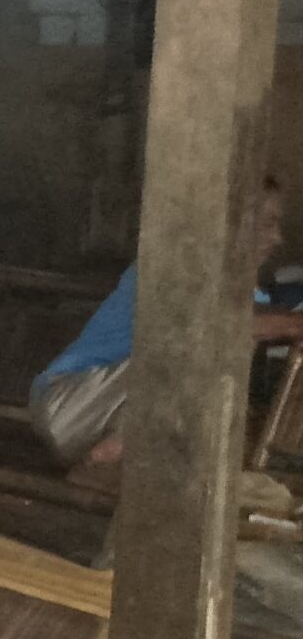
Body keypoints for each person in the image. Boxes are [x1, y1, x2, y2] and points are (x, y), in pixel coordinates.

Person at [33, 178, 303, 470]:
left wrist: (291, 325)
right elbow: (236, 323)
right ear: (230, 222)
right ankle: (111, 455)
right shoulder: (173, 267)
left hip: (105, 408)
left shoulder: (240, 289)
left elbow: (267, 317)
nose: (277, 238)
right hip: (71, 403)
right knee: (209, 343)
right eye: (267, 223)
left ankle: (121, 452)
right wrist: (292, 325)